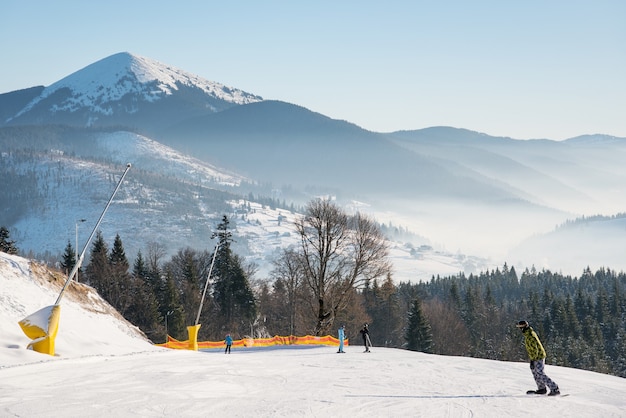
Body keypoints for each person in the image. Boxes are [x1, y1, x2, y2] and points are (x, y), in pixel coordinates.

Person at [516, 320, 560, 396]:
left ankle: (554, 388)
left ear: (523, 327)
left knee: (540, 373)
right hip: (535, 357)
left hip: (539, 356)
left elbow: (535, 349)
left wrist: (533, 359)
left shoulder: (530, 335)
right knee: (535, 372)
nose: (520, 329)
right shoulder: (527, 334)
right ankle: (541, 388)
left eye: (520, 327)